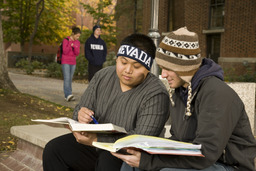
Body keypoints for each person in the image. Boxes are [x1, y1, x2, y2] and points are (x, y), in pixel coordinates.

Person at [112, 27, 256, 171]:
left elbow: (206, 153)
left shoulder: (216, 93)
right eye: (162, 68)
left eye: (168, 68)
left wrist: (151, 162)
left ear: (184, 68)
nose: (163, 75)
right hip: (197, 160)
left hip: (228, 165)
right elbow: (178, 140)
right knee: (131, 164)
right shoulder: (180, 91)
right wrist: (144, 152)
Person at [43, 33, 170, 171]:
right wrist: (80, 116)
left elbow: (140, 140)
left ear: (147, 68)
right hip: (94, 145)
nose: (128, 70)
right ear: (117, 59)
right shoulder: (103, 76)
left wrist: (96, 140)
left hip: (127, 154)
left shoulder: (156, 93)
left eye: (137, 66)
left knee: (108, 161)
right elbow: (80, 108)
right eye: (124, 62)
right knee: (54, 150)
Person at [61, 26, 81, 101]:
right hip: (65, 61)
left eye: (79, 36)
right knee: (67, 78)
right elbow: (65, 51)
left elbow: (77, 53)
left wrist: (74, 46)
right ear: (73, 34)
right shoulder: (66, 40)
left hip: (73, 62)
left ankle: (69, 94)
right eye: (77, 36)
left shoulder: (77, 42)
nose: (77, 38)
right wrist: (70, 44)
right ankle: (68, 94)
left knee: (70, 79)